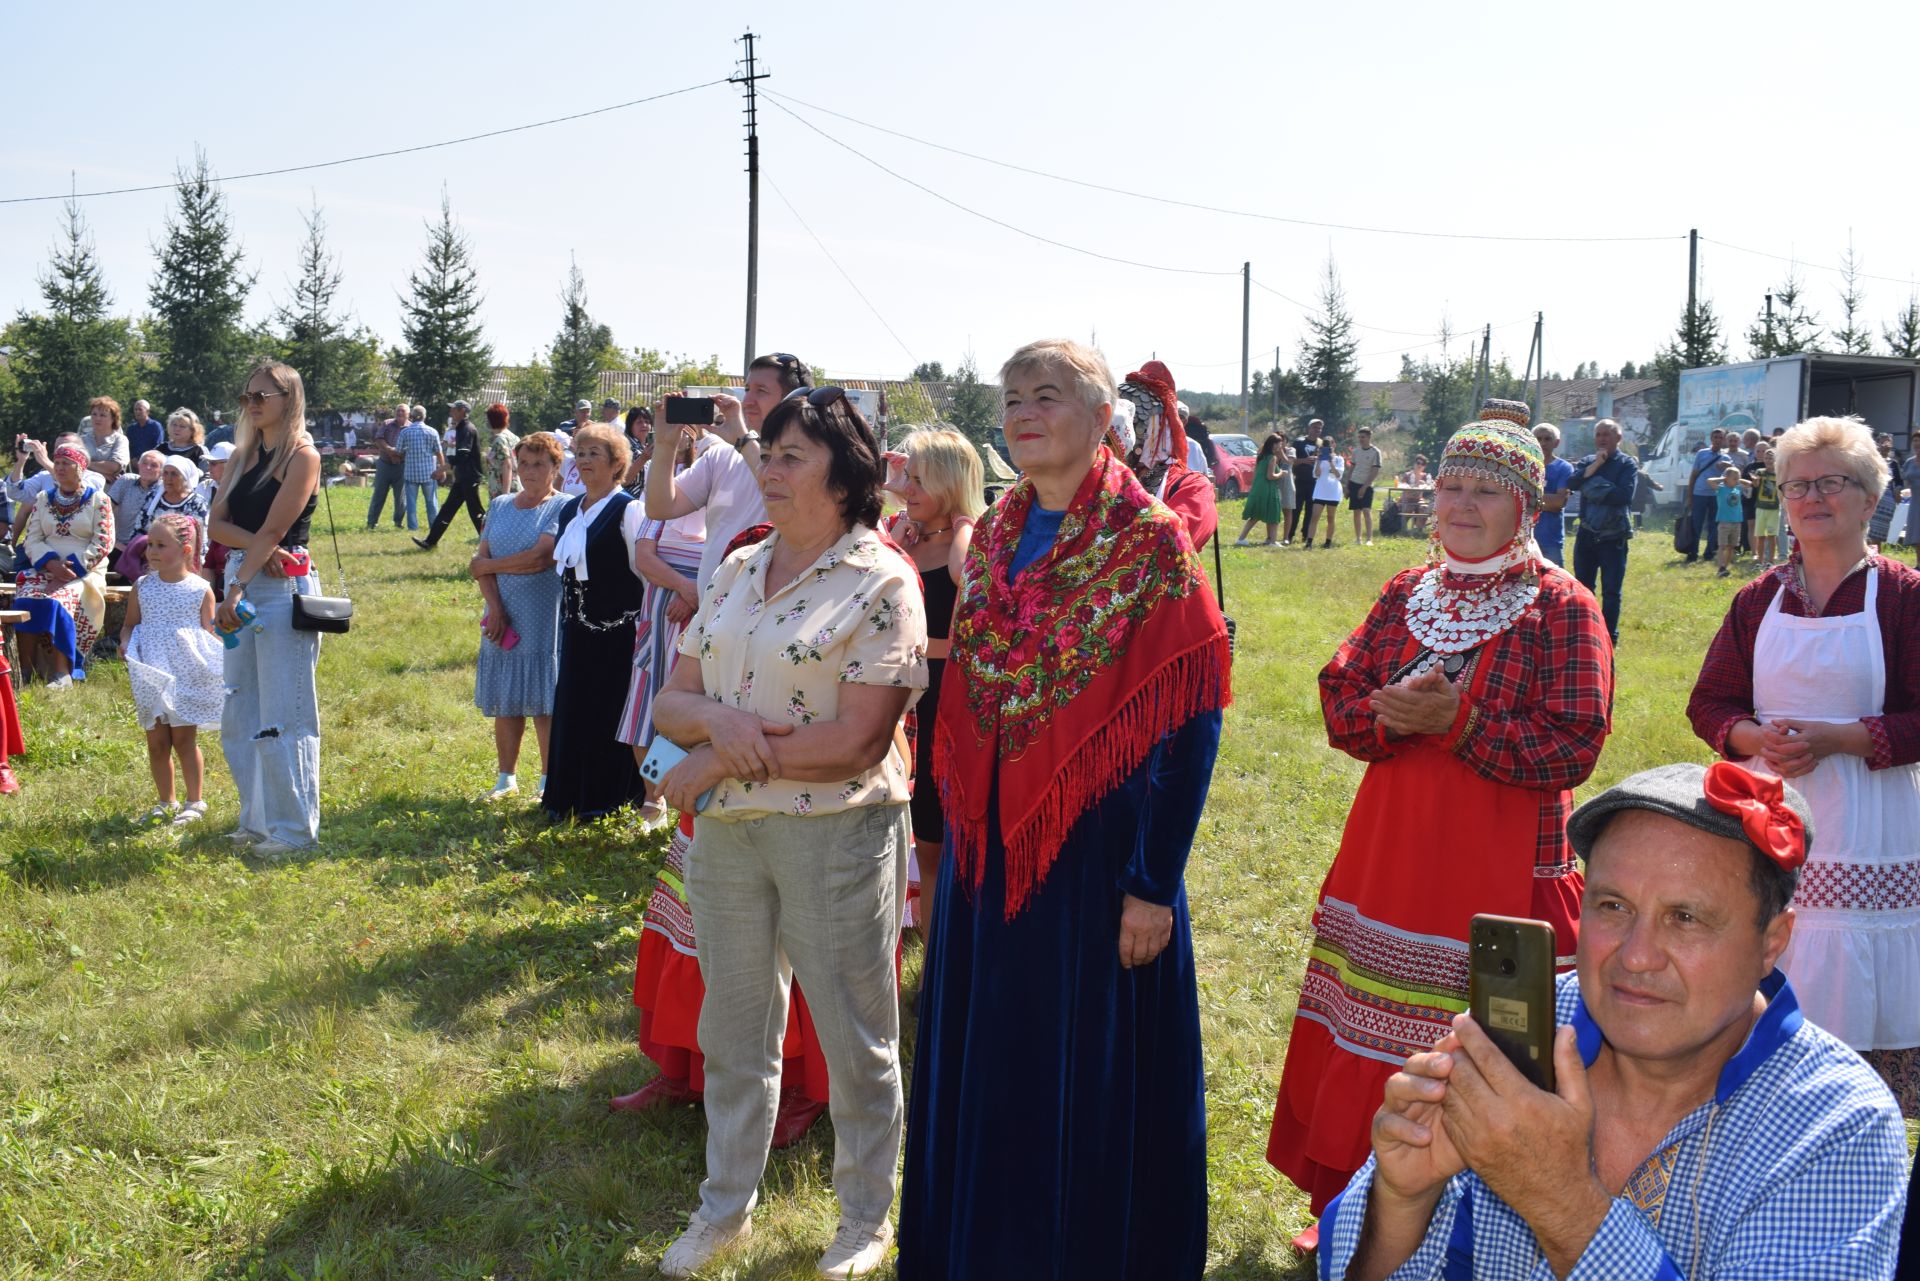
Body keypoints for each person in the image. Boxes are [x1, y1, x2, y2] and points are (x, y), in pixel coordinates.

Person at [900, 339, 1230, 1281]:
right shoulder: (1000, 526)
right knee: (987, 1064)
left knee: (1073, 1079)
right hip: (987, 844)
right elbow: (975, 674)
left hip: (1093, 860)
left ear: (1101, 419)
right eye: (1011, 398)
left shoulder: (1148, 537)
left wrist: (1151, 885)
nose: (1023, 412)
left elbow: (1192, 714)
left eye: (1047, 394)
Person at [1322, 761, 1910, 1280]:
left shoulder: (1835, 1126)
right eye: (1613, 906)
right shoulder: (1525, 1030)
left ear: (1771, 942)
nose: (1635, 956)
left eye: (1685, 917)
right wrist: (1401, 1201)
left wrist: (1561, 1199)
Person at [1266, 401, 1613, 1231]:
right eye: (1450, 485)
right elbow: (1338, 694)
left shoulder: (1560, 607)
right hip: (1389, 862)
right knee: (1370, 1026)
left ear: (1524, 507)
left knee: (1486, 1052)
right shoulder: (1406, 593)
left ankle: (1470, 1228)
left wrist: (1456, 723)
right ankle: (1356, 1212)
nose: (1459, 504)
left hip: (1500, 874)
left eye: (1484, 492)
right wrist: (1393, 716)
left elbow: (1572, 745)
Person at [650, 386, 927, 1280]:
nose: (768, 468)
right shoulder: (735, 568)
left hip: (837, 833)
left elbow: (856, 739)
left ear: (846, 479)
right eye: (766, 452)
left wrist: (723, 751)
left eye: (791, 455)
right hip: (729, 838)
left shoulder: (883, 578)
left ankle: (862, 1218)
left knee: (854, 1034)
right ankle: (722, 1207)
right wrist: (717, 734)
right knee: (734, 1026)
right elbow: (672, 698)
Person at [1685, 415, 1920, 1117]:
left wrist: (1842, 739)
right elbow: (1709, 702)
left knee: (1858, 988)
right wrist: (1751, 736)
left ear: (1870, 496)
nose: (1812, 498)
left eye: (1832, 482)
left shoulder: (1904, 598)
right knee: (1772, 955)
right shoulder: (1758, 600)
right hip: (1771, 817)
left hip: (1871, 828)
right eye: (1797, 486)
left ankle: (1860, 1131)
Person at [208, 360, 323, 858]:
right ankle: (256, 820)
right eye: (247, 396)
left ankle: (294, 831)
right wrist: (258, 554)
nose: (252, 404)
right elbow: (215, 526)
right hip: (248, 575)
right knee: (240, 710)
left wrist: (237, 586)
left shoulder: (302, 456)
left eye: (263, 396)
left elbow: (278, 529)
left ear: (289, 400)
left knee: (285, 714)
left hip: (280, 591)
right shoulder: (240, 456)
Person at [882, 426, 981, 930]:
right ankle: (919, 932)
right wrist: (896, 492)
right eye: (907, 477)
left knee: (936, 833)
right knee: (909, 829)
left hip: (942, 698)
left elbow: (965, 572)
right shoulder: (902, 533)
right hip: (894, 697)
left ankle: (940, 952)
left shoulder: (968, 539)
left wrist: (962, 519)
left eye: (920, 479)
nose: (909, 488)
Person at [542, 422, 648, 821]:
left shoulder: (628, 510)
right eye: (581, 453)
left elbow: (643, 572)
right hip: (575, 632)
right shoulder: (571, 507)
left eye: (594, 455)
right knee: (574, 708)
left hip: (617, 636)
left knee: (607, 713)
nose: (584, 461)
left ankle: (605, 799)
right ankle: (564, 797)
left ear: (616, 462)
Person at [646, 352, 810, 588]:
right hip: (712, 614)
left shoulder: (807, 460)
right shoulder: (721, 455)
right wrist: (665, 445)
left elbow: (777, 485)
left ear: (794, 401)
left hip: (769, 610)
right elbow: (659, 507)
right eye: (747, 389)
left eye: (761, 391)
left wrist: (743, 440)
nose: (747, 401)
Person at [468, 432, 568, 801]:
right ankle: (505, 779)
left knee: (545, 701)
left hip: (543, 616)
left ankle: (547, 780)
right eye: (524, 463)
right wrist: (495, 609)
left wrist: (489, 565)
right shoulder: (499, 505)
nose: (529, 471)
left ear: (556, 467)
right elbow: (479, 565)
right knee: (507, 699)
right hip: (501, 619)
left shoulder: (563, 506)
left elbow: (542, 558)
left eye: (539, 464)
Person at [616, 421, 704, 812]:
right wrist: (684, 588)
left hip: (706, 616)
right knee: (645, 711)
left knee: (689, 710)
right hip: (659, 614)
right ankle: (655, 798)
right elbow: (644, 556)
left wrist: (697, 594)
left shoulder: (721, 497)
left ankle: (684, 799)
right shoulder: (661, 494)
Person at [120, 513, 223, 828]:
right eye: (150, 544)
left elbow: (209, 633)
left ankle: (195, 800)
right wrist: (125, 644)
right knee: (156, 742)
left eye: (161, 545)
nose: (152, 551)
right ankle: (166, 801)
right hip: (150, 672)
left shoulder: (199, 589)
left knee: (183, 739)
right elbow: (129, 625)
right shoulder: (142, 587)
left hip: (184, 673)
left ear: (186, 550)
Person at [13, 443, 115, 687]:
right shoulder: (43, 498)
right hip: (46, 569)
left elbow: (103, 542)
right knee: (26, 598)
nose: (59, 468)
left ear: (80, 467)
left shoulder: (98, 500)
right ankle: (25, 669)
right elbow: (33, 538)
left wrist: (70, 569)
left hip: (84, 573)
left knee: (61, 601)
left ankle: (62, 672)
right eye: (56, 462)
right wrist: (51, 565)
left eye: (66, 463)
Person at [1118, 359, 1218, 551]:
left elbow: (1175, 544)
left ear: (1158, 431)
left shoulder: (1192, 487)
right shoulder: (1096, 479)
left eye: (1137, 423)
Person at [1564, 417, 1638, 645]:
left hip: (1613, 535)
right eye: (1599, 434)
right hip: (1587, 534)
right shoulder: (1587, 461)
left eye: (1607, 434)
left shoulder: (1627, 464)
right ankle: (1584, 632)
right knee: (1583, 588)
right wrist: (1595, 466)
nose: (1602, 439)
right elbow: (1572, 483)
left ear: (1618, 438)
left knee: (1611, 591)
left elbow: (1624, 496)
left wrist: (1591, 484)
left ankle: (1609, 637)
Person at [415, 400, 485, 550]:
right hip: (463, 477)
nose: (451, 412)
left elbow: (462, 456)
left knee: (476, 513)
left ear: (462, 411)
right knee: (447, 509)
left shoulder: (467, 429)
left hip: (469, 477)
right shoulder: (460, 428)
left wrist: (442, 469)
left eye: (453, 409)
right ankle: (430, 542)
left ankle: (490, 545)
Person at [1686, 426, 1734, 563]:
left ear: (1724, 439)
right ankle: (1693, 553)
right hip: (1699, 493)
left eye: (1721, 437)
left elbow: (1734, 477)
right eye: (1715, 437)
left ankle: (1709, 553)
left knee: (1714, 525)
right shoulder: (1701, 453)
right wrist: (1690, 496)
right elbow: (1694, 475)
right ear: (1711, 439)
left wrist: (1728, 467)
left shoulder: (1726, 458)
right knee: (1696, 523)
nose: (1718, 440)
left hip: (1717, 495)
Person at [1237, 432, 1290, 547]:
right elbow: (1270, 476)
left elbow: (1256, 473)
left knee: (1255, 515)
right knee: (1274, 514)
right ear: (1274, 445)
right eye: (1279, 445)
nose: (1281, 447)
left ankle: (1241, 539)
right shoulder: (1272, 458)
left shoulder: (1261, 455)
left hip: (1258, 488)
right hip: (1268, 489)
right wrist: (1281, 473)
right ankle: (1273, 541)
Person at [1531, 422, 1573, 567]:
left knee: (1554, 585)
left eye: (1547, 439)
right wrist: (1546, 500)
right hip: (1524, 540)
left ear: (1556, 442)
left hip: (1551, 541)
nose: (1542, 443)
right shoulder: (1524, 468)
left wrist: (1528, 498)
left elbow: (1559, 503)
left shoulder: (1564, 468)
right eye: (1538, 438)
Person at [396, 406, 443, 532]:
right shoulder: (432, 432)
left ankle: (413, 527)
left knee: (411, 503)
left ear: (411, 416)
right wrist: (442, 469)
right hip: (429, 473)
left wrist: (407, 450)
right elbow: (439, 452)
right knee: (431, 502)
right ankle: (434, 526)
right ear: (424, 416)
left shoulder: (405, 432)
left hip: (411, 473)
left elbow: (399, 452)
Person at [108, 450, 163, 557]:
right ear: (138, 465)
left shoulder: (163, 491)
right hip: (118, 545)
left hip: (147, 551)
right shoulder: (126, 481)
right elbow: (104, 511)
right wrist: (113, 541)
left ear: (161, 471)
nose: (147, 468)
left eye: (154, 465)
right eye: (144, 463)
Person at [364, 402, 409, 530]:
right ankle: (371, 522)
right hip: (384, 464)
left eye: (402, 411)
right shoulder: (387, 423)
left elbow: (412, 446)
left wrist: (399, 455)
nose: (400, 413)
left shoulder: (411, 428)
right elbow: (378, 439)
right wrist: (390, 450)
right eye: (398, 411)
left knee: (400, 496)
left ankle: (398, 522)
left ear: (408, 414)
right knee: (379, 494)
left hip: (401, 465)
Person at [1707, 462, 1750, 578]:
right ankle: (1721, 567)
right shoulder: (1721, 489)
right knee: (1722, 545)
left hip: (1736, 522)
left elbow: (1749, 483)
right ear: (1726, 479)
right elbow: (1710, 481)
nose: (1737, 480)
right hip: (1724, 522)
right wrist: (1723, 478)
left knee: (1731, 546)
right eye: (1734, 478)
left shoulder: (1737, 488)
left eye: (1738, 478)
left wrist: (1738, 480)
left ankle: (1724, 567)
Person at [1285, 419, 1321, 545]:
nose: (1317, 430)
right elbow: (1291, 460)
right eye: (1315, 427)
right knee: (1296, 509)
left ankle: (1306, 535)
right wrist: (1304, 460)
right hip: (1300, 480)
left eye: (1319, 428)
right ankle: (1289, 535)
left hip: (1315, 482)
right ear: (1309, 428)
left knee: (1310, 510)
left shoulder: (1321, 444)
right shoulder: (1299, 442)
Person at [1305, 436, 1345, 548]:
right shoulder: (1320, 459)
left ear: (1334, 445)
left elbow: (1338, 475)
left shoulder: (1339, 459)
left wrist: (1331, 461)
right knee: (1315, 516)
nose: (1328, 447)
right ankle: (1309, 542)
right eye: (1325, 446)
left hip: (1333, 492)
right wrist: (1318, 461)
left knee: (1330, 517)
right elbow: (1316, 475)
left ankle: (1328, 542)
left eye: (1330, 445)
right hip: (1320, 491)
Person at [1348, 425, 1384, 545]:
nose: (1360, 439)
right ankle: (1358, 539)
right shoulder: (1356, 451)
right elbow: (1351, 468)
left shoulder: (1375, 452)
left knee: (1366, 511)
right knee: (1356, 512)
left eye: (1363, 437)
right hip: (1354, 483)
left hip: (1367, 485)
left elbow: (1375, 471)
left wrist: (1364, 487)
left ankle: (1369, 539)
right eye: (1359, 437)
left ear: (1369, 437)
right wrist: (1347, 486)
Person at [1750, 440, 1781, 568]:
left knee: (1772, 536)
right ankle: (1760, 561)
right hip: (1760, 507)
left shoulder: (1779, 473)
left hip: (1773, 508)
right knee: (1760, 535)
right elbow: (1755, 486)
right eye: (1767, 458)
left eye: (1771, 458)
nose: (1768, 460)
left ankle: (1770, 561)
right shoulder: (1760, 472)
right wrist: (1755, 481)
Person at [82, 396, 130, 480]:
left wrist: (85, 464)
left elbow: (114, 467)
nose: (97, 418)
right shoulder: (82, 440)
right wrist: (104, 475)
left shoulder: (120, 440)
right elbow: (74, 466)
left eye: (103, 415)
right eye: (94, 414)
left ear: (113, 419)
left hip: (111, 491)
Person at [482, 402, 520, 500]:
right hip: (516, 485)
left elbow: (507, 465)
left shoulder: (499, 440)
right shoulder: (514, 437)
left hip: (503, 489)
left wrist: (504, 496)